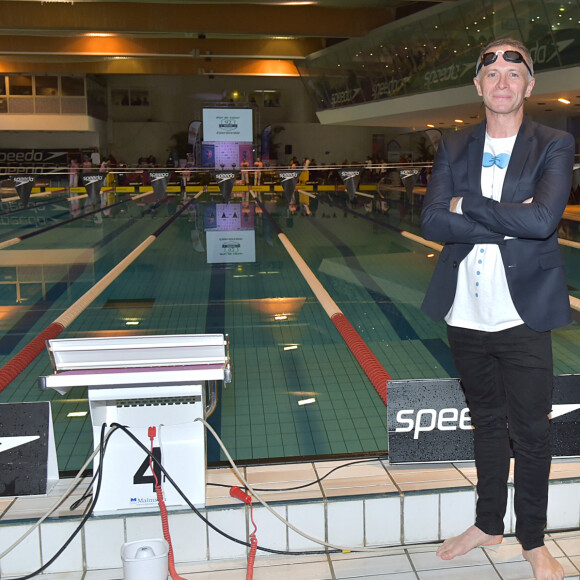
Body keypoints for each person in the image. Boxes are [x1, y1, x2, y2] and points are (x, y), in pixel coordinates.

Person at [420, 38, 574, 580]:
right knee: (486, 423)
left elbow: (542, 223)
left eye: (515, 73)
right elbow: (432, 222)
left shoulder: (554, 143)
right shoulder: (454, 146)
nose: (503, 82)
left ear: (529, 86)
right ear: (478, 86)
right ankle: (488, 522)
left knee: (531, 432)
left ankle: (533, 539)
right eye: (493, 74)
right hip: (465, 313)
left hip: (522, 315)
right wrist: (509, 214)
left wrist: (470, 206)